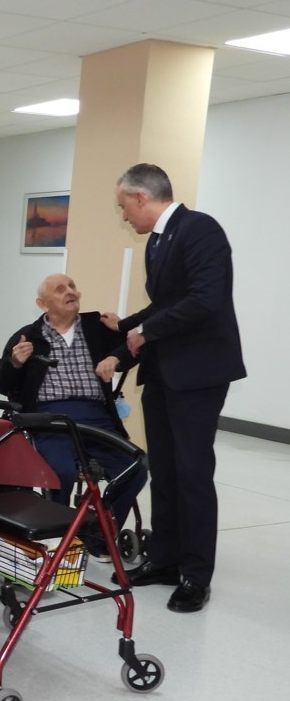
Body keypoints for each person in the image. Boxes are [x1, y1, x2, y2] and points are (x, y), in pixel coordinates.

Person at [108, 163, 246, 613]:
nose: (125, 216)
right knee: (164, 470)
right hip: (166, 372)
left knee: (191, 473)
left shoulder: (200, 229)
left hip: (199, 372)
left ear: (142, 198)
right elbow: (166, 304)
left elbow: (207, 300)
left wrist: (144, 331)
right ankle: (165, 559)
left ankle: (196, 574)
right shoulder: (160, 239)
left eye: (125, 207)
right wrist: (125, 328)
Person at [0, 273, 148, 560]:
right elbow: (0, 383)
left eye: (72, 286)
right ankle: (58, 538)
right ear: (43, 303)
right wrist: (15, 362)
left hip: (96, 417)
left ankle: (97, 530)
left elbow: (133, 350)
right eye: (60, 289)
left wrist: (116, 357)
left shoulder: (98, 327)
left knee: (135, 468)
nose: (70, 292)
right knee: (60, 471)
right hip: (49, 419)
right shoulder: (28, 335)